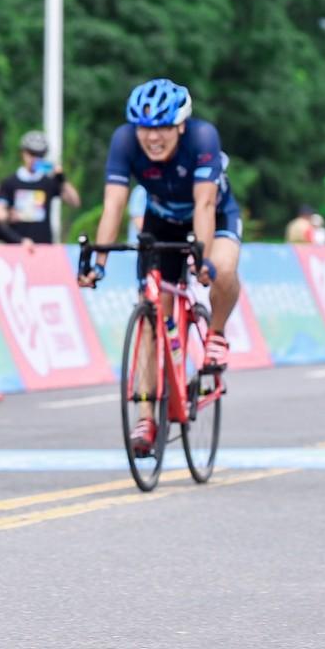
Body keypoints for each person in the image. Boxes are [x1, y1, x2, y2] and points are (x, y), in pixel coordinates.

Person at [81, 79, 245, 457]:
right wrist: (99, 263)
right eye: (144, 128)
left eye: (163, 128)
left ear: (181, 126)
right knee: (153, 315)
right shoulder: (124, 141)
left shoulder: (203, 138)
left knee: (222, 267)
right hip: (162, 222)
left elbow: (204, 205)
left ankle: (216, 334)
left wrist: (202, 259)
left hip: (214, 215)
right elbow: (114, 205)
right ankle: (145, 417)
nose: (152, 138)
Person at [0, 130, 81, 247]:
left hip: (44, 246)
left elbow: (75, 202)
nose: (35, 159)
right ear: (23, 153)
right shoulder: (10, 182)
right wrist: (9, 215)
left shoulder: (48, 182)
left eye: (40, 155)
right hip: (17, 246)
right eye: (31, 154)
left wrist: (61, 179)